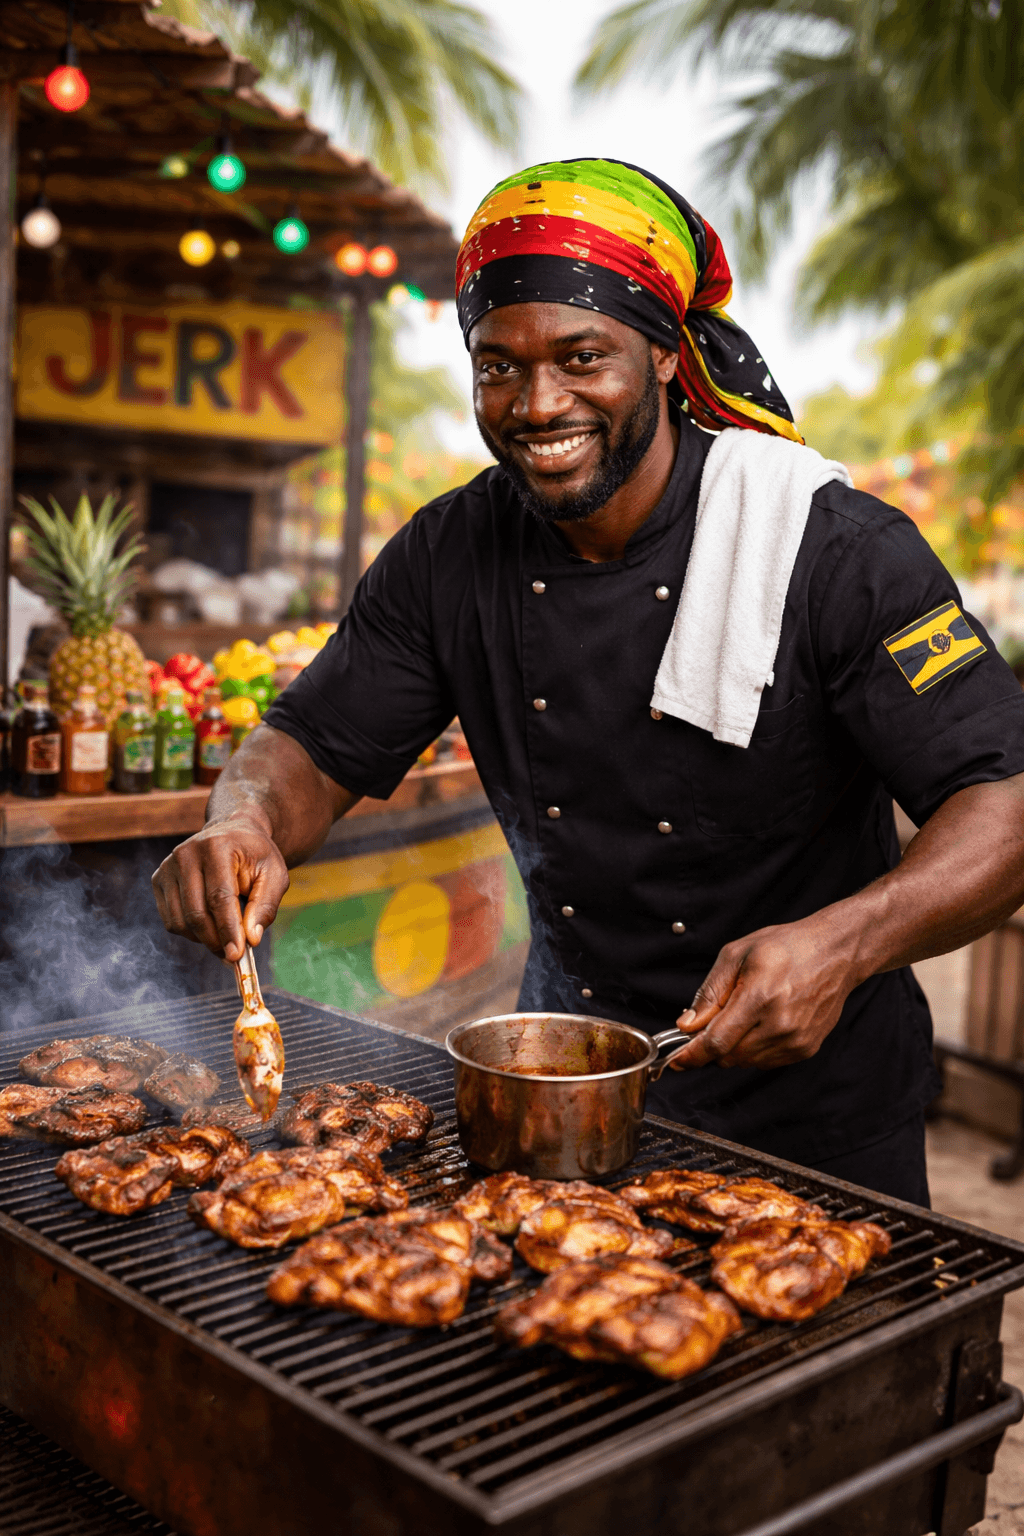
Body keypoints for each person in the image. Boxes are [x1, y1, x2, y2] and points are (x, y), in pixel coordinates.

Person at [153, 158, 1024, 1206]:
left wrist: (845, 943)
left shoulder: (832, 548)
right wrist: (243, 821)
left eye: (582, 357)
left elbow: (1005, 802)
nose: (535, 402)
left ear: (663, 354)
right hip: (558, 1088)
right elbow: (309, 743)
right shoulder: (448, 553)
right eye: (498, 366)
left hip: (814, 1120)